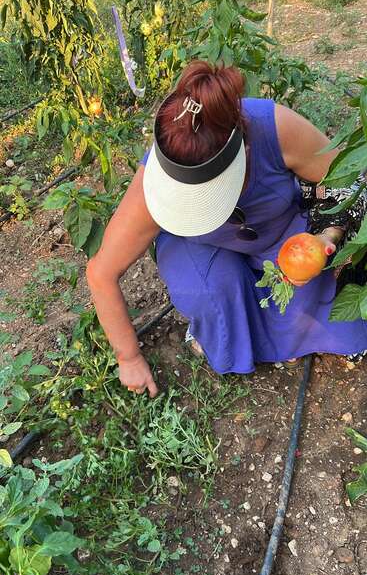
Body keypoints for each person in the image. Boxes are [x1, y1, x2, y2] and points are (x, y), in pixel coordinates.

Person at [86, 60, 367, 397]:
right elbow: (101, 272)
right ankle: (220, 322)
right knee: (207, 291)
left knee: (344, 323)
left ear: (244, 151)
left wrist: (326, 237)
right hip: (205, 248)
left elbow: (346, 184)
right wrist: (128, 357)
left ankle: (263, 325)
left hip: (278, 234)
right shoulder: (154, 185)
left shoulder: (274, 129)